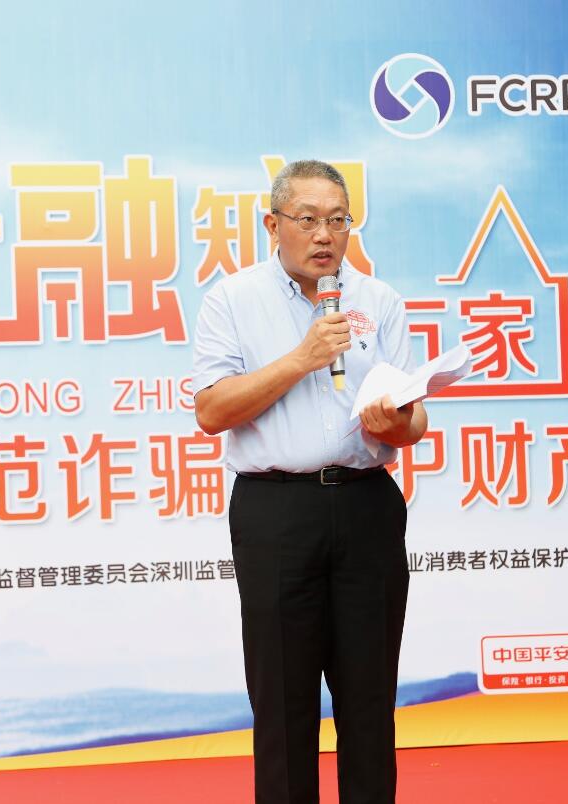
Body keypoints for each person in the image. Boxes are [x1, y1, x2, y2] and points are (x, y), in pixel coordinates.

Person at [192, 159, 426, 804]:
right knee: (283, 702)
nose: (325, 235)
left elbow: (414, 422)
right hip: (277, 513)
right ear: (273, 225)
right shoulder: (232, 300)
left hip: (367, 506)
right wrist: (302, 359)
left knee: (370, 701)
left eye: (338, 220)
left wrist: (397, 420)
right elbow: (211, 411)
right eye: (308, 219)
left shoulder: (380, 301)